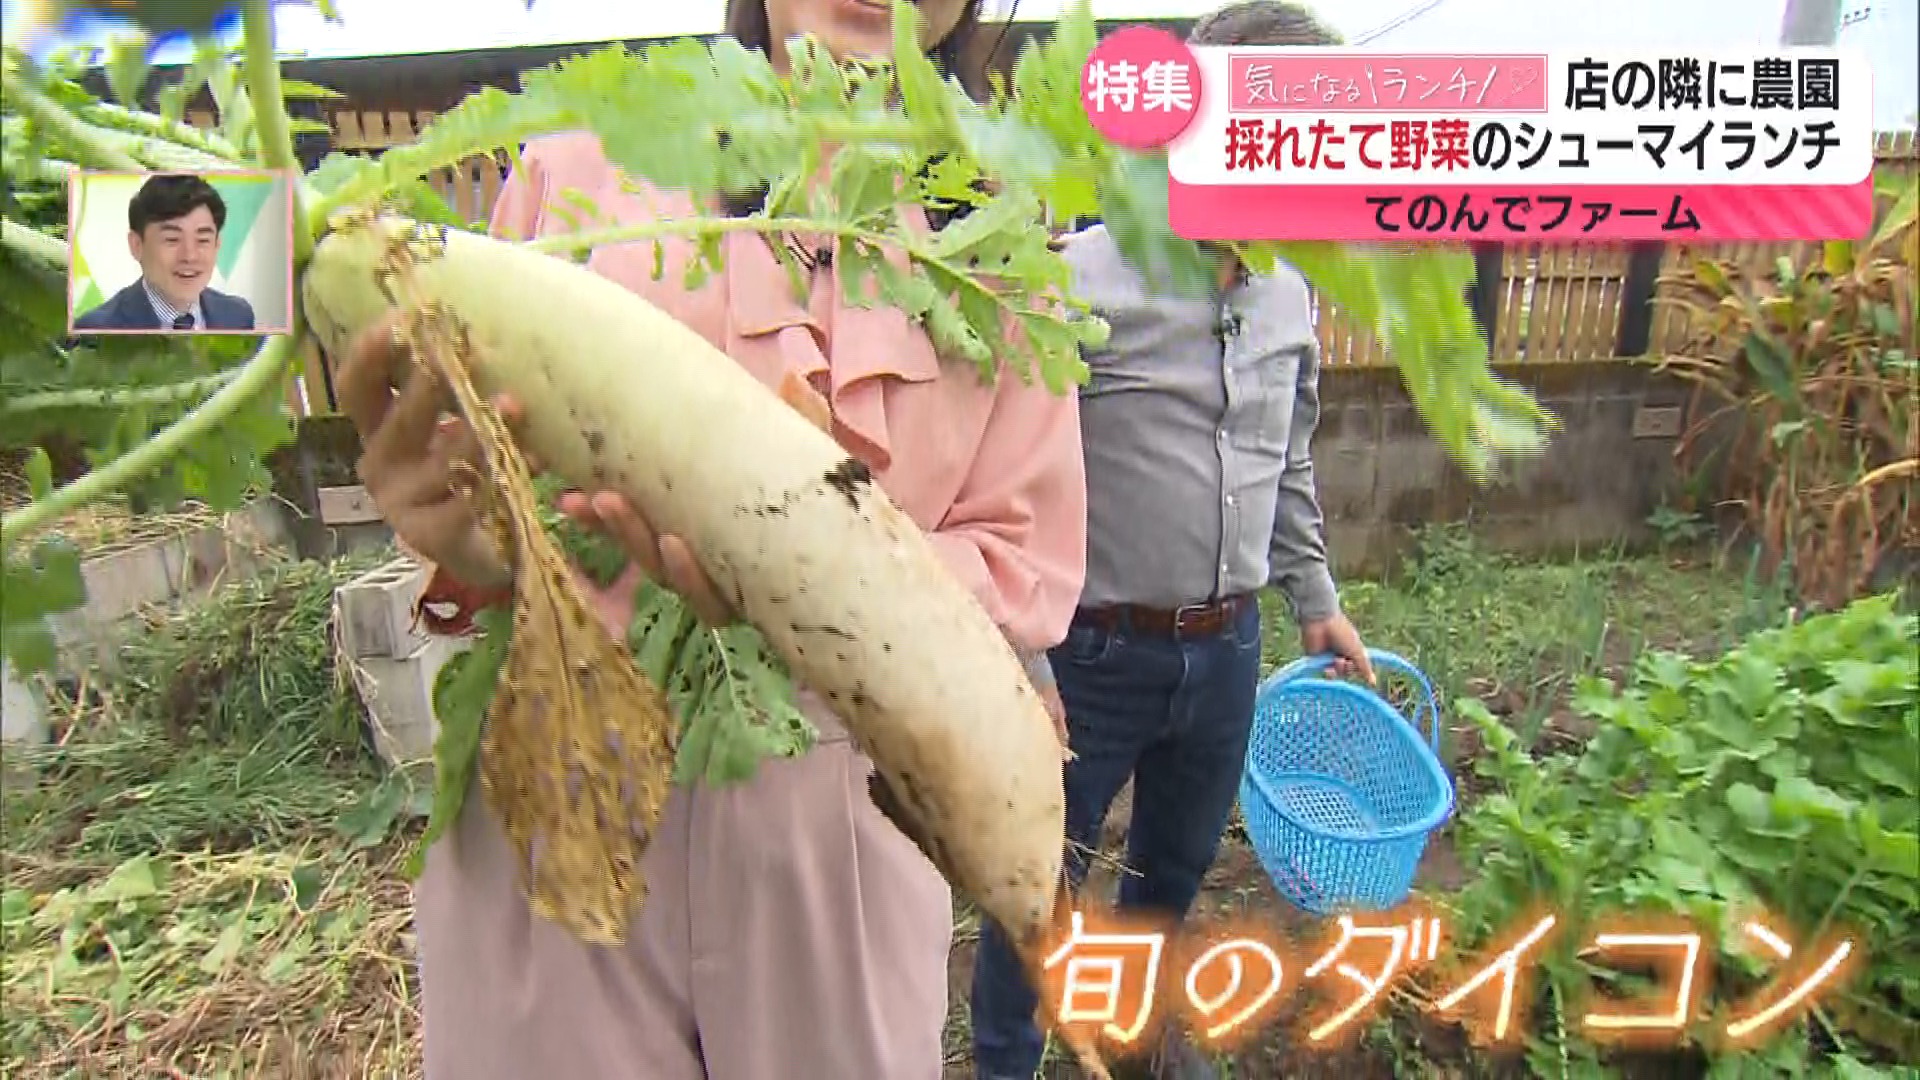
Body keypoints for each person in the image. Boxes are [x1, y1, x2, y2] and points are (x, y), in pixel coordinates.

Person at [331, 1, 1085, 1078]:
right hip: (561, 782)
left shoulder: (1001, 246)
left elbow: (1021, 562)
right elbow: (493, 500)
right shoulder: (585, 162)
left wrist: (828, 563)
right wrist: (472, 544)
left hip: (834, 814)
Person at [968, 5, 1373, 1079]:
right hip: (1091, 655)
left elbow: (1287, 458)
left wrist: (1314, 598)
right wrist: (1026, 658)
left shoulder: (1290, 296)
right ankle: (1007, 1060)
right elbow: (1000, 475)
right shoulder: (1080, 281)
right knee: (1037, 883)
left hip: (1226, 651)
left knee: (1173, 872)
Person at [72, 172, 256, 332]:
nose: (189, 256)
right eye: (172, 240)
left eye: (203, 240)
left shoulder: (238, 315)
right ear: (136, 245)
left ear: (217, 245)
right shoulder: (95, 329)